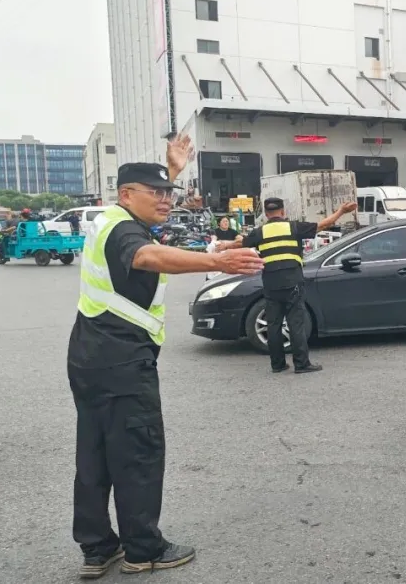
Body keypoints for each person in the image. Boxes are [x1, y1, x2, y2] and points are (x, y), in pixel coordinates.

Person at [67, 135, 264, 578]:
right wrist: (220, 264)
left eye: (168, 193)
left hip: (89, 354)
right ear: (125, 195)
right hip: (120, 359)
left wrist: (170, 171)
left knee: (94, 453)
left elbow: (146, 226)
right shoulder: (123, 230)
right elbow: (146, 254)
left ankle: (98, 548)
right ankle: (143, 549)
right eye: (155, 193)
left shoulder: (110, 218)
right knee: (137, 451)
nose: (165, 200)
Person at [217, 197, 358, 373]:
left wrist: (224, 246)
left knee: (273, 324)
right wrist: (342, 211)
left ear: (267, 215)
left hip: (270, 283)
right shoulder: (293, 227)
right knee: (295, 322)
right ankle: (301, 364)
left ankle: (277, 364)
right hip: (292, 282)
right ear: (283, 212)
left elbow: (241, 242)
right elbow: (322, 225)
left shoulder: (260, 232)